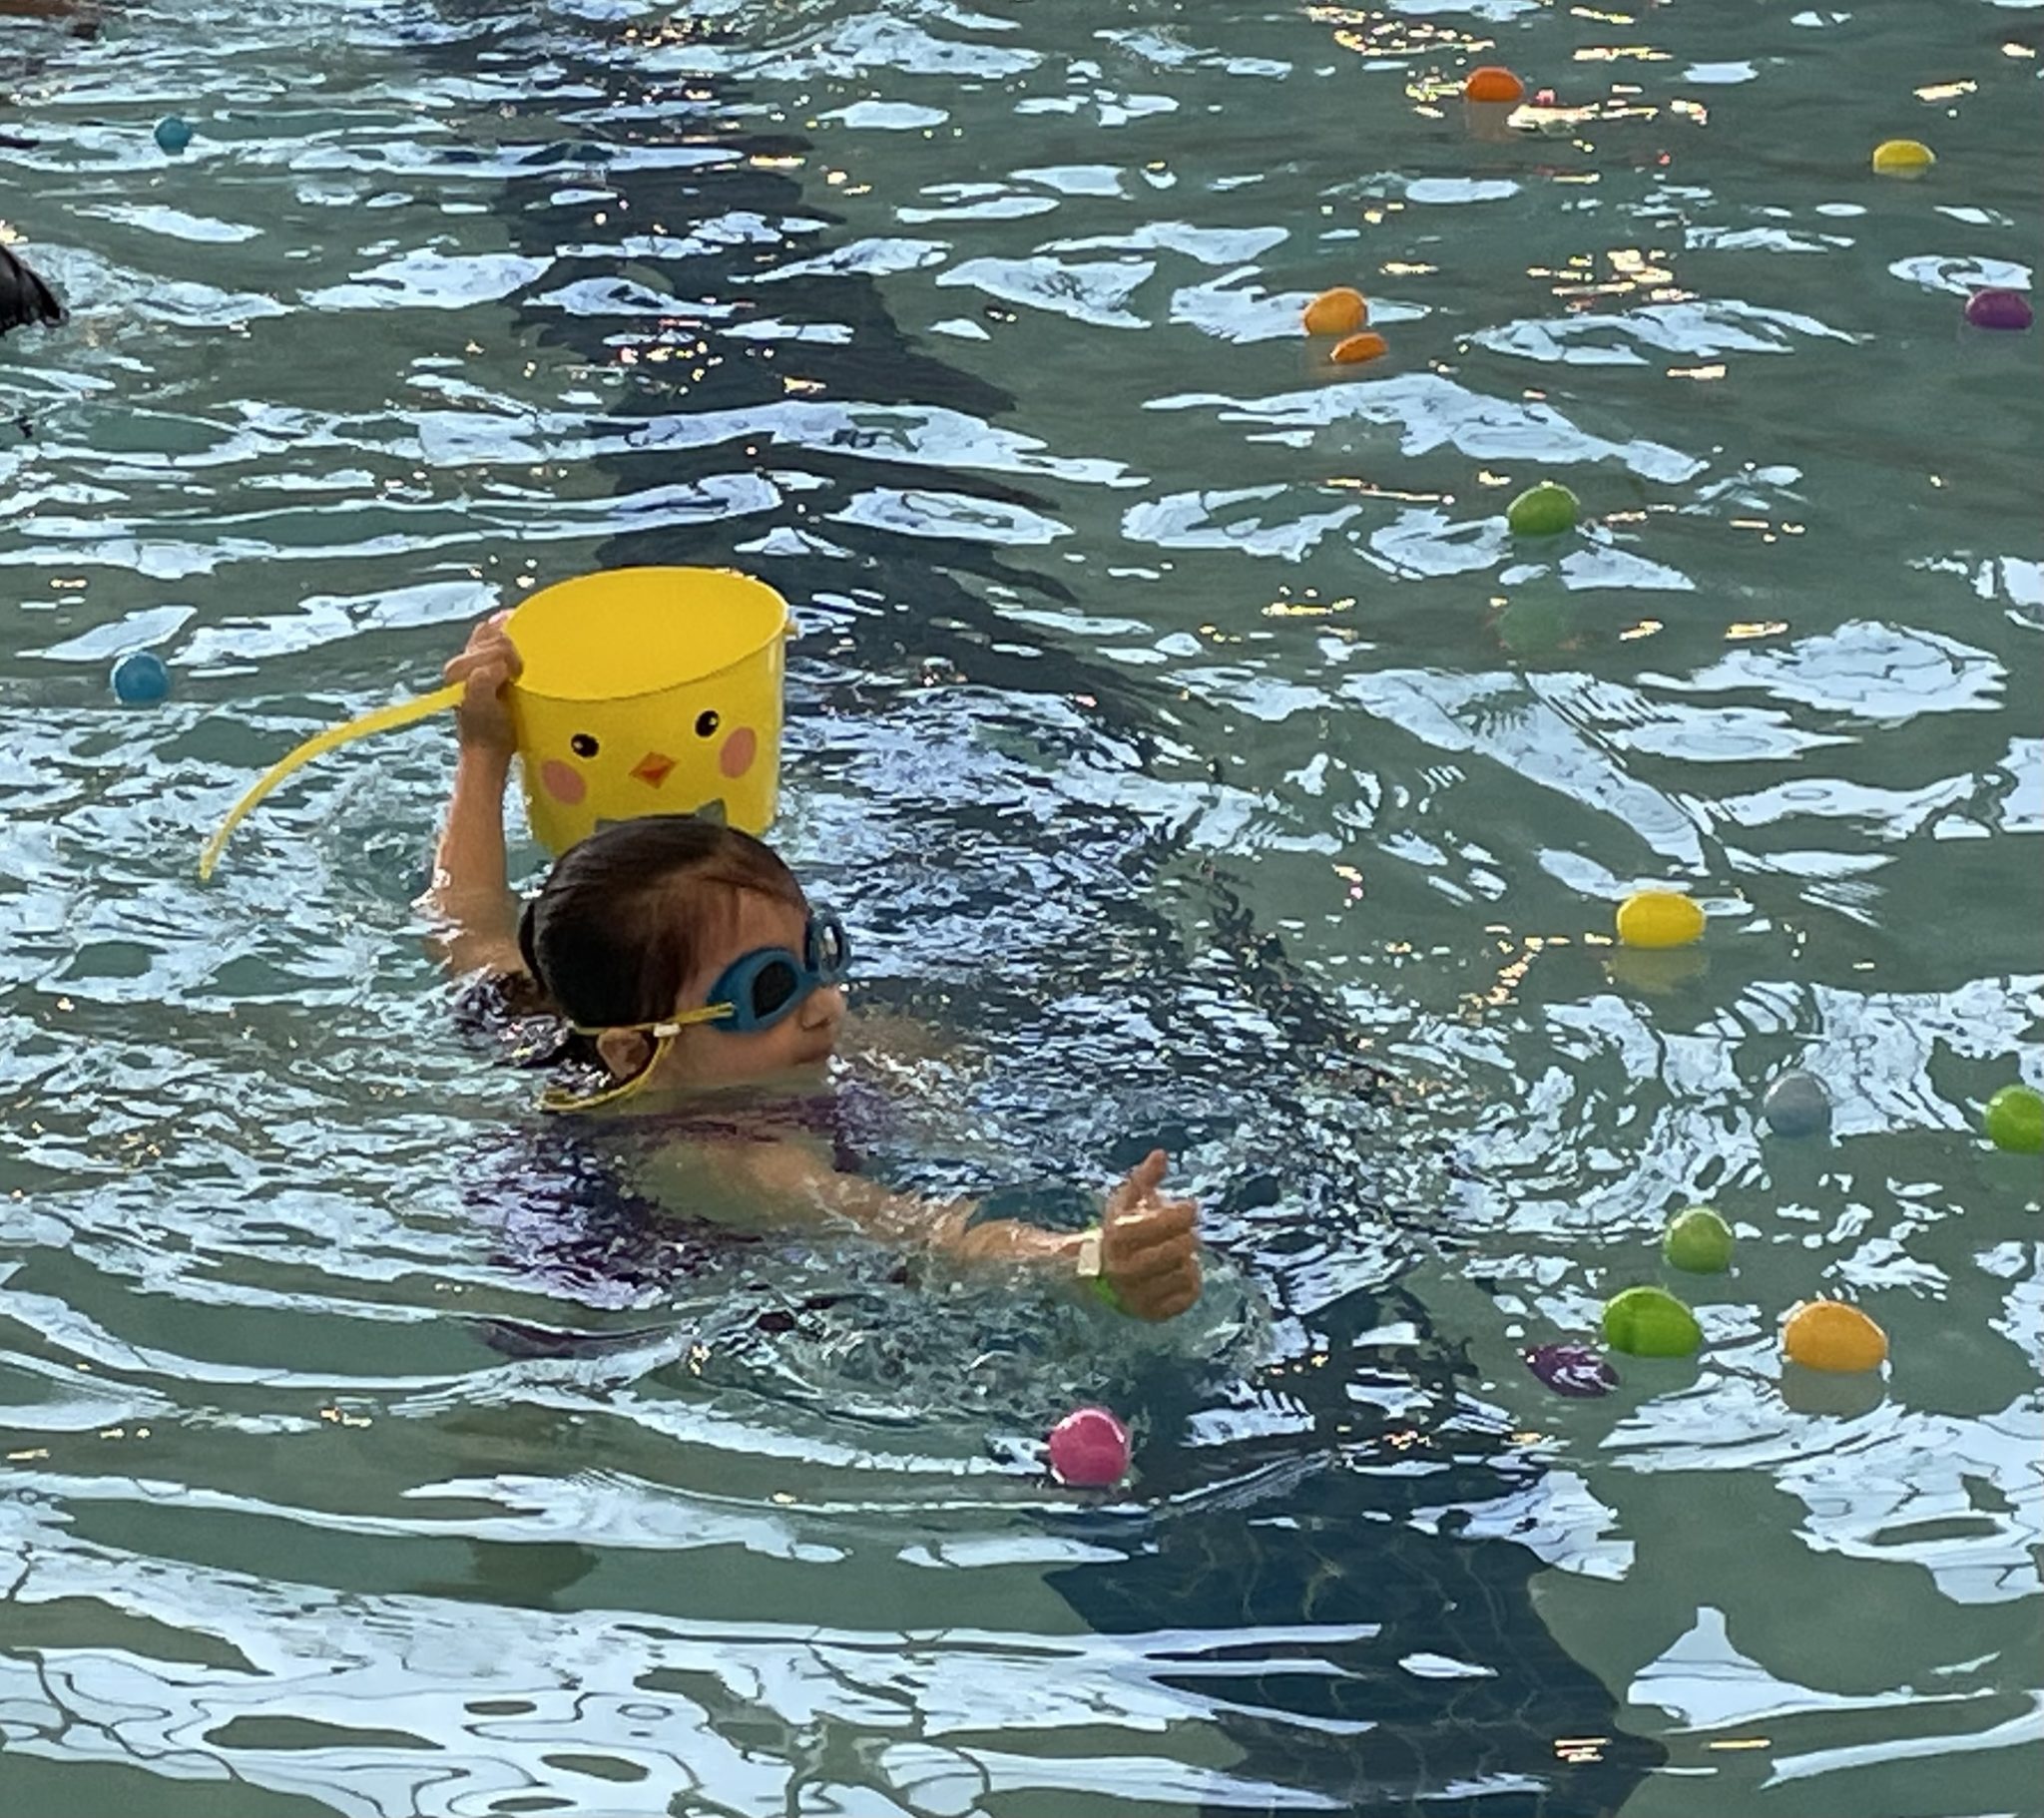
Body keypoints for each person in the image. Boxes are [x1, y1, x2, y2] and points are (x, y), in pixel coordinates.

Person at [424, 613, 1205, 1323]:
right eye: (767, 989)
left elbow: (468, 916)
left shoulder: (542, 1007)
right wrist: (1086, 1259)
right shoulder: (728, 1161)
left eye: (816, 954)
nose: (824, 1003)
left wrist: (485, 748)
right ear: (636, 1049)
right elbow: (916, 1231)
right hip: (616, 1285)